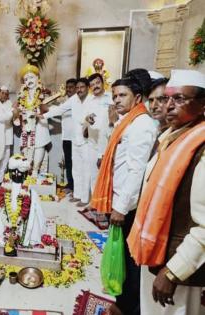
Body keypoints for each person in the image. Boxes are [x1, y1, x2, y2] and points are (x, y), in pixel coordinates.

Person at [128, 69, 205, 315]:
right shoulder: (170, 136)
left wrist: (173, 272)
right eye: (167, 98)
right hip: (156, 253)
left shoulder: (200, 148)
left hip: (179, 266)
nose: (169, 106)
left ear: (203, 104)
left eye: (180, 99)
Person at [91, 77, 158, 315]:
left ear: (137, 98)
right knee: (126, 256)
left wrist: (120, 207)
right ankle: (124, 302)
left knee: (131, 260)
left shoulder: (141, 125)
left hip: (128, 205)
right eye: (115, 95)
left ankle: (128, 306)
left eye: (122, 95)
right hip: (123, 199)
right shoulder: (128, 121)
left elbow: (136, 171)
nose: (117, 100)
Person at [42, 78, 93, 206]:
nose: (79, 90)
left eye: (82, 87)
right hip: (75, 139)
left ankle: (85, 199)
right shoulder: (73, 99)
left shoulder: (92, 100)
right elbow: (60, 109)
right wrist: (43, 116)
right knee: (76, 169)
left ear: (88, 88)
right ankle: (77, 195)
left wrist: (87, 125)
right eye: (78, 88)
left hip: (87, 140)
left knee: (85, 170)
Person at [0, 154, 46, 254]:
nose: (17, 174)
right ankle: (6, 235)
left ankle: (20, 236)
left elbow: (28, 210)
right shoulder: (4, 186)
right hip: (6, 220)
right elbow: (0, 206)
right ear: (9, 173)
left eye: (20, 172)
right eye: (14, 172)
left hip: (21, 220)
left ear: (25, 174)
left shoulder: (29, 191)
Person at [82, 73, 112, 207]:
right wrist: (87, 119)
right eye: (92, 85)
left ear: (103, 82)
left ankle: (104, 204)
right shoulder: (89, 100)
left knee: (105, 176)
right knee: (92, 173)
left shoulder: (111, 97)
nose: (95, 86)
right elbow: (85, 118)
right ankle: (94, 203)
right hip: (92, 142)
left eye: (97, 83)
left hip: (106, 142)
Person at [0, 85, 14, 185]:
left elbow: (10, 118)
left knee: (5, 158)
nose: (4, 95)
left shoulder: (10, 103)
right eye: (2, 93)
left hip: (8, 134)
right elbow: (3, 117)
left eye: (6, 93)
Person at [61, 78, 77, 192]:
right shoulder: (67, 100)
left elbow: (58, 110)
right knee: (68, 161)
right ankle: (70, 184)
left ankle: (75, 187)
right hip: (66, 137)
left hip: (74, 138)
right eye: (67, 87)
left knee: (74, 163)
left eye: (71, 87)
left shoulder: (76, 100)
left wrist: (46, 111)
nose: (68, 89)